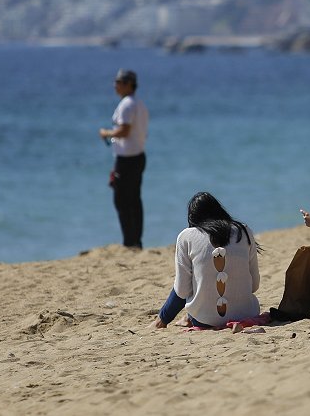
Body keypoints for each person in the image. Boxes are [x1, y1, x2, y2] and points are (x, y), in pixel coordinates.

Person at [153, 192, 263, 331]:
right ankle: (185, 318)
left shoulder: (186, 236)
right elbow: (254, 285)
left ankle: (161, 320)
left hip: (205, 320)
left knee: (189, 282)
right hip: (247, 315)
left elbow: (182, 290)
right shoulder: (244, 231)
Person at [98, 68, 149, 249]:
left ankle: (129, 242)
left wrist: (106, 132)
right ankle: (136, 241)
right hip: (138, 156)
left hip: (127, 159)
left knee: (121, 200)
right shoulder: (140, 104)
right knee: (134, 199)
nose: (115, 85)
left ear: (128, 84)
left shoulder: (127, 104)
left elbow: (124, 130)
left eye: (118, 82)